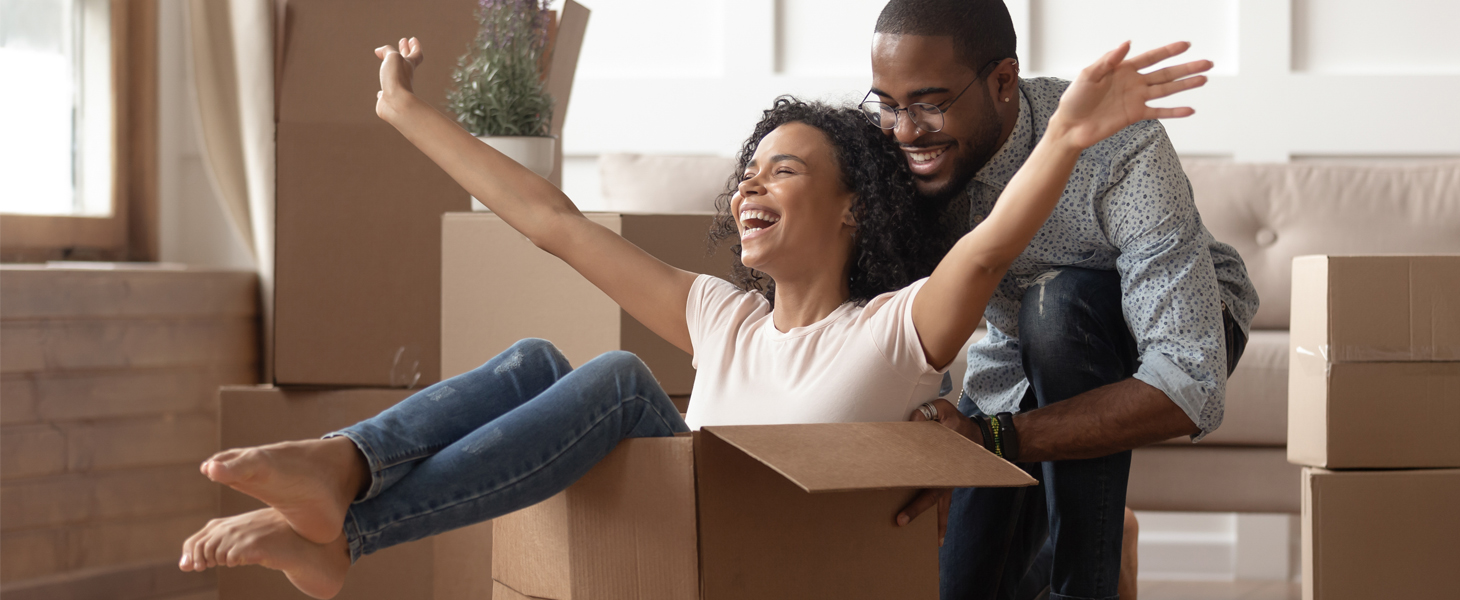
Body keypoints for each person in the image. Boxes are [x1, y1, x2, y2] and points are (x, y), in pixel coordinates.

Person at [175, 34, 1213, 600]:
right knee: (538, 359)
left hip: (758, 568)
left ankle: (350, 521)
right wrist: (406, 112)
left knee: (623, 381)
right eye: (746, 173)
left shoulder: (893, 331)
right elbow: (551, 221)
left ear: (853, 206)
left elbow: (984, 252)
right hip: (676, 562)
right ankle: (345, 475)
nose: (749, 187)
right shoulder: (722, 317)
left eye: (784, 171)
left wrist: (1065, 138)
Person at [867, 2, 1260, 599]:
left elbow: (1188, 380)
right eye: (888, 105)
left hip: (1178, 321)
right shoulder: (900, 157)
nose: (904, 131)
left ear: (1003, 80)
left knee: (1058, 306)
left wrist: (996, 437)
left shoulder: (1114, 141)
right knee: (953, 587)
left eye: (929, 103)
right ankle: (1108, 546)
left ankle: (1085, 585)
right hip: (1016, 351)